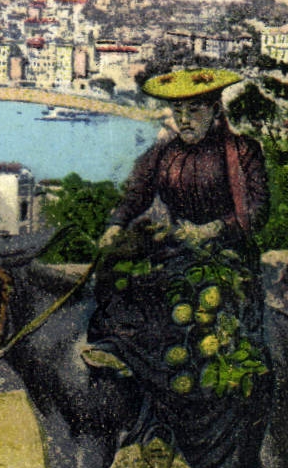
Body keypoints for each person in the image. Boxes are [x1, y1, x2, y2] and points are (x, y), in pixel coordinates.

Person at [82, 67, 269, 374]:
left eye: (194, 110)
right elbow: (136, 193)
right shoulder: (163, 153)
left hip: (226, 249)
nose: (184, 119)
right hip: (177, 244)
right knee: (115, 264)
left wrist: (214, 228)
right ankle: (115, 347)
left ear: (215, 110)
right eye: (178, 111)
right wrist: (116, 224)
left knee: (177, 292)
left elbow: (257, 209)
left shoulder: (243, 151)